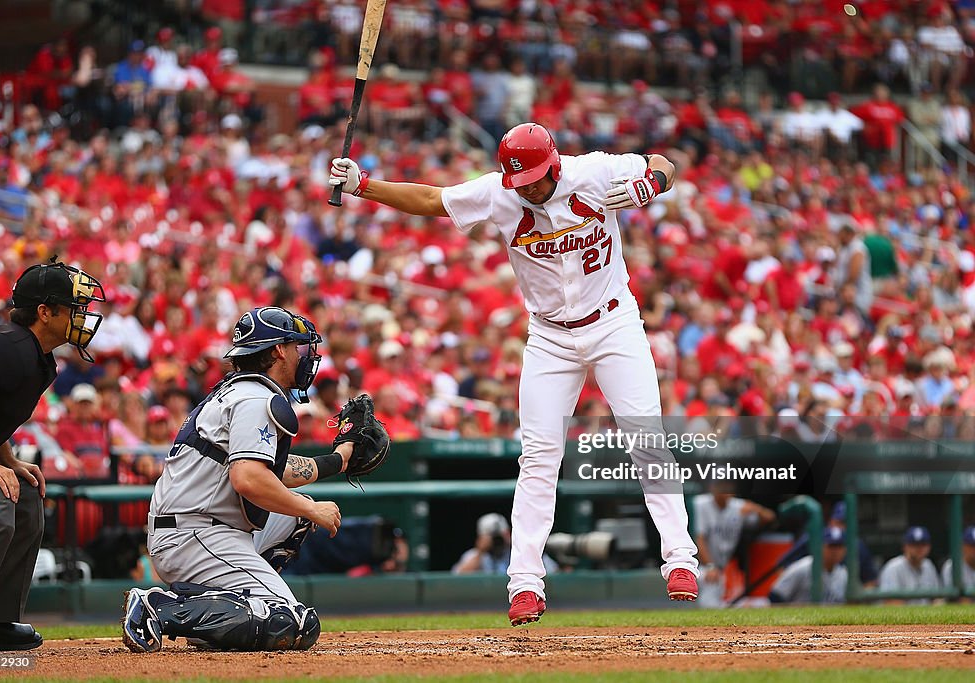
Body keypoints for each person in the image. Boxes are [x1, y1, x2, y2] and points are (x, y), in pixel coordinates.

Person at [329, 122, 700, 626]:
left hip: (614, 321)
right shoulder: (499, 194)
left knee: (646, 438)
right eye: (517, 178)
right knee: (540, 455)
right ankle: (525, 582)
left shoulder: (593, 171)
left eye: (533, 176)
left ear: (553, 164)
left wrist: (651, 184)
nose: (525, 186)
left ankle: (679, 559)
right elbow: (432, 199)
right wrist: (363, 186)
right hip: (549, 336)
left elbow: (665, 164)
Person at [121, 307, 356, 653]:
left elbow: (268, 469)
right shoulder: (255, 398)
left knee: (295, 514)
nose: (303, 356)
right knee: (288, 621)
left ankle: (224, 615)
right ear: (278, 350)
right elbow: (248, 478)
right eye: (297, 347)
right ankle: (162, 608)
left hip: (203, 527)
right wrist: (314, 511)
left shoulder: (239, 391)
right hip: (195, 534)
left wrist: (339, 460)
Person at [0, 259, 104, 654]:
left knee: (25, 491)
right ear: (45, 312)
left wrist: (10, 460)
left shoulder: (38, 358)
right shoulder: (5, 346)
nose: (82, 316)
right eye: (74, 308)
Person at [692, 482, 775, 607]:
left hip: (725, 569)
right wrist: (710, 566)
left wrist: (755, 509)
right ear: (712, 487)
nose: (725, 490)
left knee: (750, 605)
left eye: (728, 486)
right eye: (721, 486)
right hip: (702, 568)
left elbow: (769, 517)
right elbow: (700, 538)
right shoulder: (701, 503)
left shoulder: (738, 506)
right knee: (710, 602)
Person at [452, 512, 559, 576]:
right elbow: (455, 577)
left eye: (500, 535)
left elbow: (554, 572)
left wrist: (514, 543)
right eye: (492, 536)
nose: (497, 540)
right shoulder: (475, 556)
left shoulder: (522, 552)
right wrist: (480, 552)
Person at [769, 526, 848, 604]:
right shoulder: (802, 567)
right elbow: (775, 596)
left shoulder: (843, 573)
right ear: (819, 547)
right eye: (831, 546)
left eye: (839, 547)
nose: (835, 551)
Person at [878, 526, 941, 605]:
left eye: (923, 544)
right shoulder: (893, 567)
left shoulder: (929, 566)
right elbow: (890, 602)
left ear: (929, 547)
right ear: (905, 547)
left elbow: (938, 598)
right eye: (915, 545)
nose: (919, 549)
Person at [939, 525, 975, 594]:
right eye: (971, 546)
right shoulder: (952, 566)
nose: (974, 550)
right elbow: (955, 599)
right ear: (962, 545)